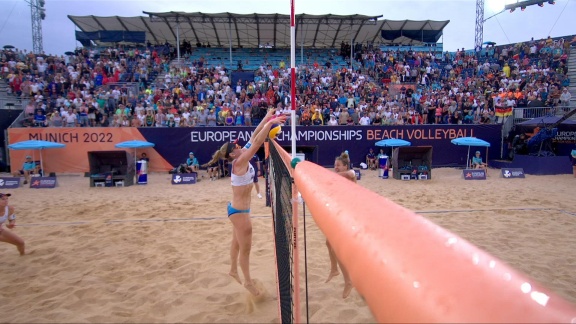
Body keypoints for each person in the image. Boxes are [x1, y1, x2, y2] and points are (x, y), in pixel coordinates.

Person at [202, 108, 287, 296]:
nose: (240, 146)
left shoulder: (240, 155)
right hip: (240, 213)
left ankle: (233, 269)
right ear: (232, 154)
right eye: (237, 147)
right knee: (245, 250)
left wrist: (267, 116)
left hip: (237, 210)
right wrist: (270, 124)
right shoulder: (239, 162)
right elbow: (257, 142)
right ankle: (248, 281)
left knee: (236, 243)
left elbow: (254, 135)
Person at [325, 151, 355, 298]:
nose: (335, 167)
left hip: (348, 216)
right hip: (339, 213)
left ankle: (348, 280)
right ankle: (334, 269)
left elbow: (351, 174)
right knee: (328, 243)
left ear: (345, 166)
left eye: (338, 165)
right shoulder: (337, 177)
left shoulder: (350, 173)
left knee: (337, 248)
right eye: (334, 165)